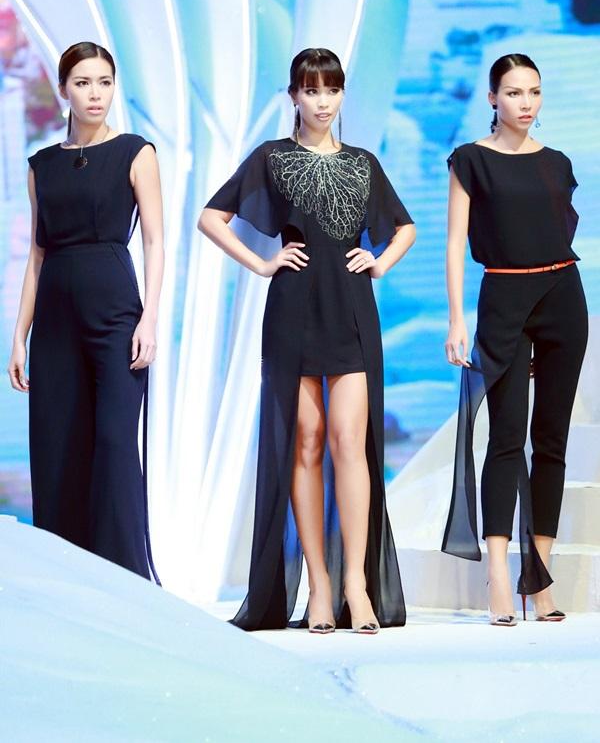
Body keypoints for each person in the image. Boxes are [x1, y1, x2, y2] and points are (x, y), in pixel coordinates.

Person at [199, 48, 416, 632]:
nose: (323, 101)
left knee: (351, 442)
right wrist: (262, 263)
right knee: (307, 443)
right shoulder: (272, 158)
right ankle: (318, 584)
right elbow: (211, 218)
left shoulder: (363, 163)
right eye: (311, 90)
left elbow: (405, 228)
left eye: (332, 90)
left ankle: (356, 585)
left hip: (350, 310)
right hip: (293, 308)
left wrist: (379, 262)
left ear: (342, 94)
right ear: (293, 95)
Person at [7, 41, 164, 581]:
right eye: (82, 83)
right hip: (55, 321)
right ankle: (69, 587)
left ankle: (127, 584)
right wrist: (19, 335)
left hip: (117, 314)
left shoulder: (136, 152)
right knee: (58, 448)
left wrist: (149, 318)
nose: (95, 94)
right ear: (63, 90)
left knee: (116, 444)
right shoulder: (42, 165)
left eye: (104, 82)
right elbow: (37, 254)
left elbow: (155, 240)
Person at [443, 53, 588, 624]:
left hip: (562, 296)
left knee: (551, 438)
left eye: (534, 92)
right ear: (492, 99)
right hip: (502, 297)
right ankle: (499, 575)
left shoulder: (557, 162)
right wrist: (457, 319)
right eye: (513, 93)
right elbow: (455, 243)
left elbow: (558, 231)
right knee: (505, 435)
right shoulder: (471, 160)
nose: (525, 103)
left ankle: (539, 578)